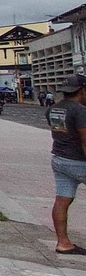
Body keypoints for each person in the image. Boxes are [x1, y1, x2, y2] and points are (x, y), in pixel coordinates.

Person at [48, 75, 86, 255]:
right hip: (78, 161)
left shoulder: (53, 109)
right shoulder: (80, 111)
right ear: (82, 90)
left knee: (62, 200)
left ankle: (63, 243)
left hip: (59, 159)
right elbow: (85, 140)